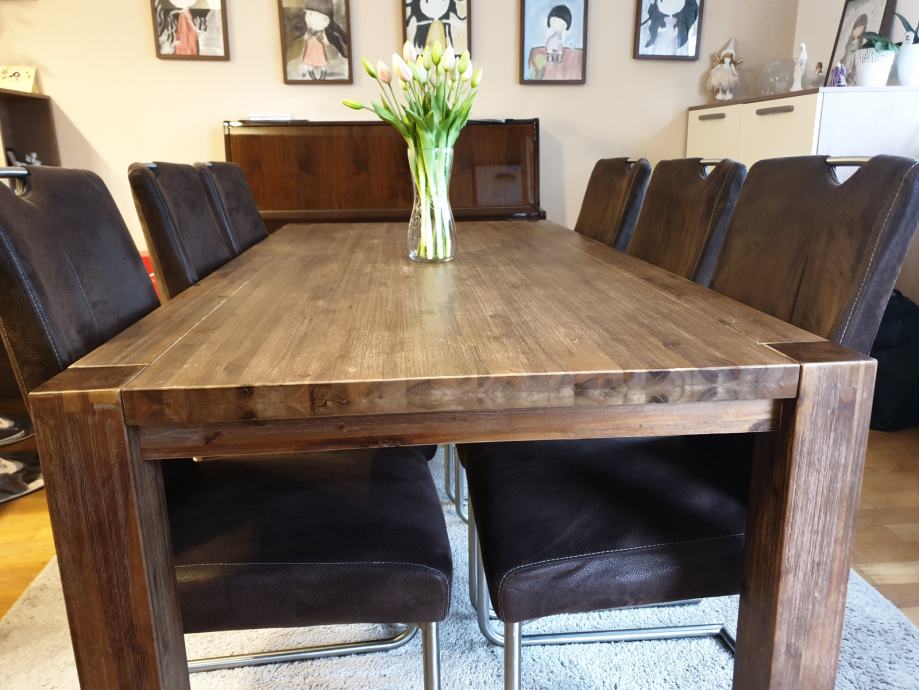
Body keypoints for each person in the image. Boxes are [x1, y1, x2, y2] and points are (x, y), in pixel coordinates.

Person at [300, 0, 349, 80]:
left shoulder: (322, 33)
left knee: (322, 62)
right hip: (310, 51)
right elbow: (305, 38)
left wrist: (322, 39)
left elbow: (326, 43)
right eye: (309, 14)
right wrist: (308, 36)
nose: (309, 18)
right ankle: (311, 74)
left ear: (326, 20)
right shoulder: (309, 31)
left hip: (319, 51)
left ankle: (322, 74)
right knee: (310, 63)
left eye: (314, 15)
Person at [842, 13, 869, 84]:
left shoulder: (857, 45)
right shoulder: (849, 44)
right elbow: (846, 58)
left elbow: (851, 63)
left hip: (849, 76)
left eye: (861, 29)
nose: (859, 31)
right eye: (858, 27)